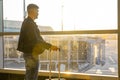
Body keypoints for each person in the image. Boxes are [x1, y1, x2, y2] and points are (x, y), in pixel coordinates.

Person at [17, 4, 59, 80]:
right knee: (31, 76)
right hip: (31, 54)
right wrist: (49, 46)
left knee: (30, 75)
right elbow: (36, 40)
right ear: (32, 11)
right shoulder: (29, 24)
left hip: (30, 53)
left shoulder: (28, 22)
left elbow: (36, 39)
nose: (38, 13)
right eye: (37, 11)